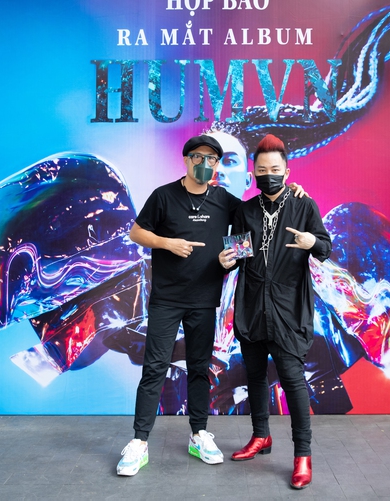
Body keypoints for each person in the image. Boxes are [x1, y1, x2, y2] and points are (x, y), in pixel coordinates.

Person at [117, 134, 306, 477]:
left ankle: (199, 434)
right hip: (166, 299)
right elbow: (136, 233)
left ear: (216, 165)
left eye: (211, 159)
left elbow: (258, 209)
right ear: (186, 160)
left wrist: (292, 192)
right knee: (154, 368)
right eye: (197, 157)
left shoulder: (225, 201)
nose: (204, 164)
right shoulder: (163, 196)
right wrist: (166, 243)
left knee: (199, 369)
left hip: (204, 301)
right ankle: (139, 441)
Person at [218, 133, 331, 489]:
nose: (269, 175)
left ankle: (302, 455)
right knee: (254, 377)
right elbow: (238, 256)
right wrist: (226, 261)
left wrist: (312, 241)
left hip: (288, 307)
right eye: (263, 170)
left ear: (287, 171)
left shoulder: (303, 205)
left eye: (275, 169)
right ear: (254, 173)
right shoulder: (245, 211)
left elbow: (325, 248)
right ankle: (260, 436)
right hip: (251, 305)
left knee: (293, 380)